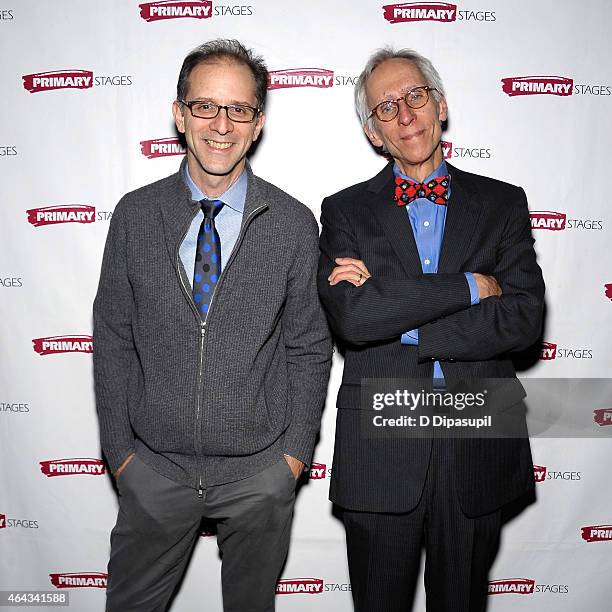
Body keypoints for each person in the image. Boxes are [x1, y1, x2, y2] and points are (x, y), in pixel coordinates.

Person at [93, 39, 331, 612]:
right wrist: (120, 452)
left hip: (259, 477)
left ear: (258, 123)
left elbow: (309, 347)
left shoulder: (294, 224)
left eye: (239, 109)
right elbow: (112, 337)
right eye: (205, 106)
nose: (221, 125)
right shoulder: (135, 215)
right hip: (154, 470)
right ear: (179, 114)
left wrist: (293, 457)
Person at [317, 47, 545, 611]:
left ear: (440, 106)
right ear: (373, 132)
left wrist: (407, 324)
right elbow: (356, 318)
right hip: (382, 445)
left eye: (415, 96)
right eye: (385, 107)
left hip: (477, 442)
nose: (404, 114)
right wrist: (470, 287)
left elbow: (522, 318)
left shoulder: (502, 202)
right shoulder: (344, 211)